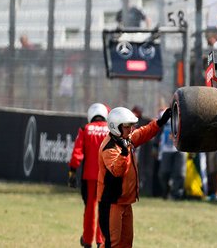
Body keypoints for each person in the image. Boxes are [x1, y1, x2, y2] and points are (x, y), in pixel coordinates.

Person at [97, 106, 171, 248]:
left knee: (126, 243)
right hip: (112, 203)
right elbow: (117, 171)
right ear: (116, 127)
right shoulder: (109, 147)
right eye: (127, 126)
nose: (130, 130)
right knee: (112, 243)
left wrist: (160, 122)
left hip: (125, 201)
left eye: (131, 126)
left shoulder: (126, 139)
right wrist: (124, 153)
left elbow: (143, 133)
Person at [68, 103, 110, 248]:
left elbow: (77, 153)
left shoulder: (85, 129)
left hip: (89, 177)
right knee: (104, 208)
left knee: (90, 209)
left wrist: (72, 171)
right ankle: (101, 241)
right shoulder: (110, 130)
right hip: (107, 177)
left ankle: (87, 240)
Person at [156, 109, 186, 200]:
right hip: (166, 149)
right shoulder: (164, 113)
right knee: (163, 173)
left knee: (179, 173)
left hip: (180, 148)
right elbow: (158, 128)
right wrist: (155, 146)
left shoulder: (185, 112)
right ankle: (166, 192)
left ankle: (176, 195)